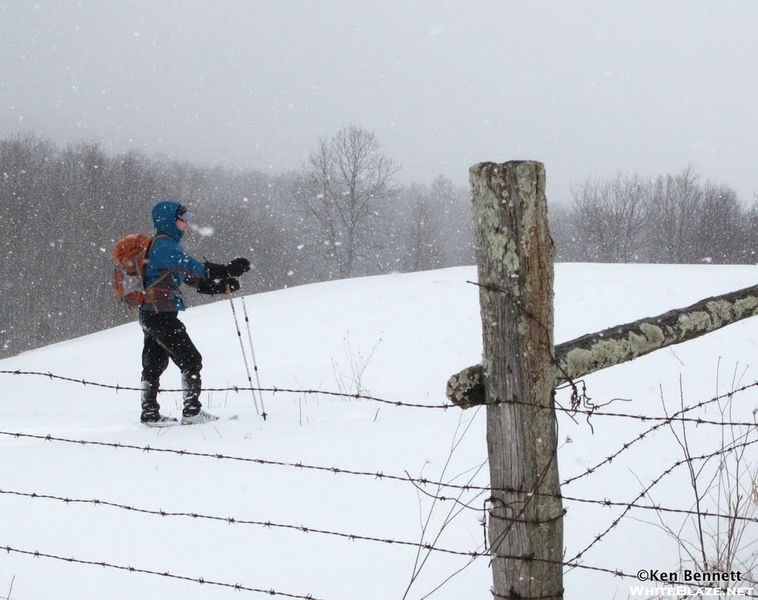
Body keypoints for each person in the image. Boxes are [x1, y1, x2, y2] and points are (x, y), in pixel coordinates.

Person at [138, 200, 251, 426]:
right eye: (183, 219)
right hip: (160, 315)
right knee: (191, 359)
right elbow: (196, 268)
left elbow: (192, 280)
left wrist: (224, 285)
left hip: (152, 314)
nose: (186, 224)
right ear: (170, 221)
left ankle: (150, 413)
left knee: (154, 363)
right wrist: (229, 268)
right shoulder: (165, 247)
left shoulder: (164, 246)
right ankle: (192, 412)